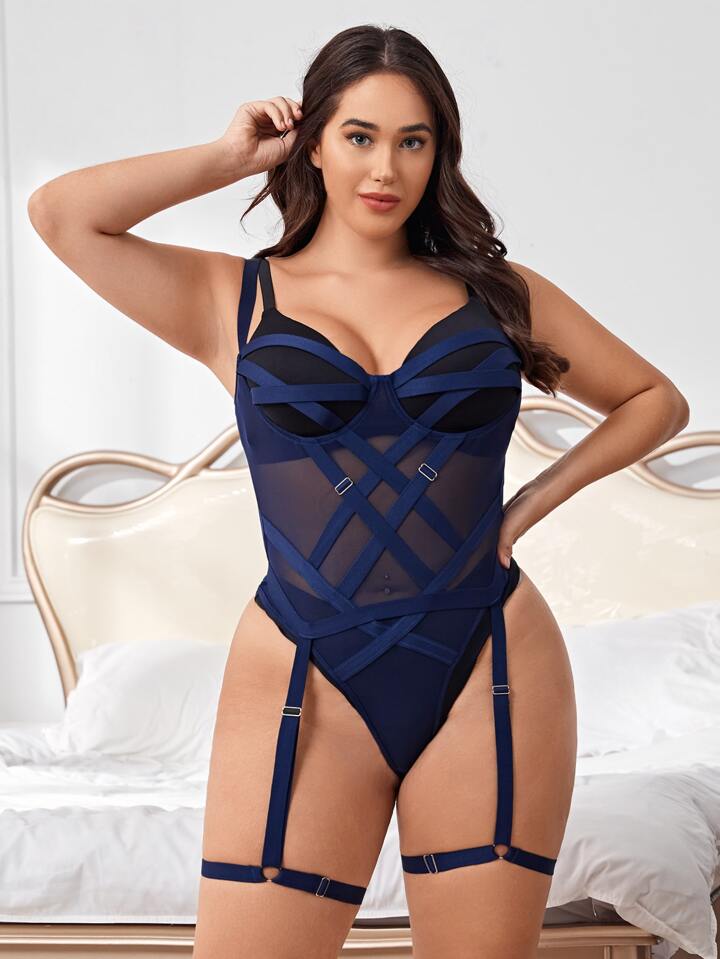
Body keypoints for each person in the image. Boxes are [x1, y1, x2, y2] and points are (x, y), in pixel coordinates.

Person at [27, 23, 689, 959]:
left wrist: (527, 507)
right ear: (313, 144)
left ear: (439, 153)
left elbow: (655, 400)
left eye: (413, 140)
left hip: (489, 664)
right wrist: (227, 157)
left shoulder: (499, 295)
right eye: (360, 136)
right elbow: (61, 214)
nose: (386, 167)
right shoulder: (232, 299)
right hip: (303, 671)